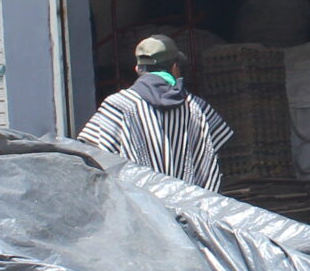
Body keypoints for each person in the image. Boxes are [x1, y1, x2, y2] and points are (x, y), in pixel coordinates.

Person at [76, 34, 233, 190]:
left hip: (139, 211)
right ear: (174, 68)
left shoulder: (118, 106)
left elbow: (96, 155)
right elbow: (212, 154)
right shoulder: (197, 108)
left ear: (138, 69)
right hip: (188, 210)